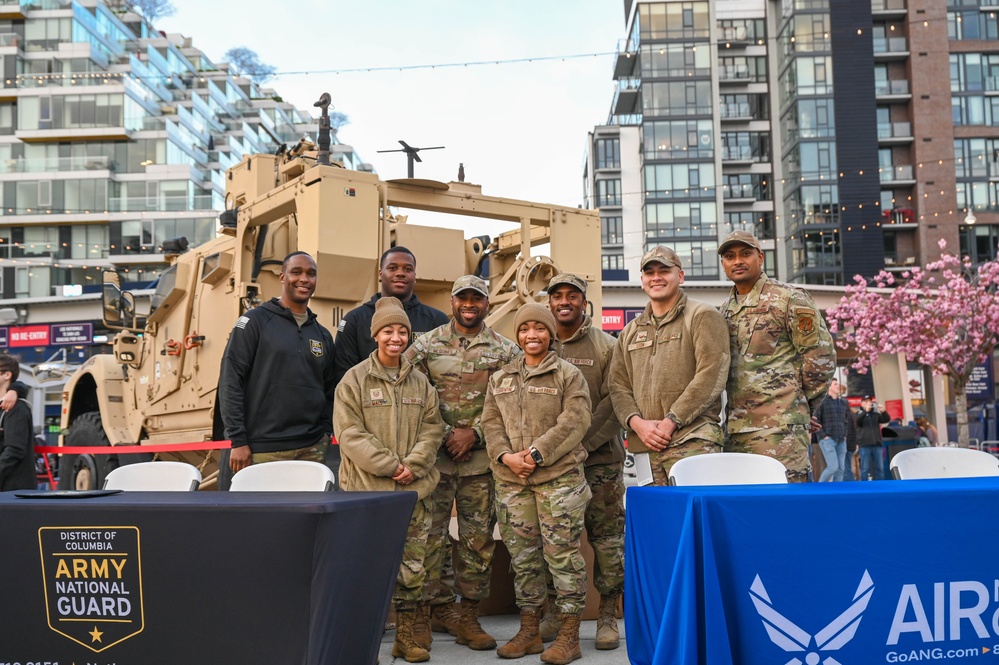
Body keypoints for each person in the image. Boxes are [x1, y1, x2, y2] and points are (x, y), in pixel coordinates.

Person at [403, 275, 520, 651]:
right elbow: (406, 392)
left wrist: (476, 435)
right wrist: (443, 435)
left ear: (486, 304)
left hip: (480, 465)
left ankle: (468, 616)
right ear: (452, 302)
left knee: (477, 542)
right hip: (434, 463)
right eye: (463, 298)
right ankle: (425, 615)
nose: (469, 304)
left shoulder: (505, 351)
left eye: (477, 298)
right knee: (428, 541)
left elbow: (515, 407)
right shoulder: (426, 344)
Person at [334, 297, 443, 663]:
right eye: (387, 331)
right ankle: (365, 640)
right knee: (368, 568)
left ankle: (406, 637)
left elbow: (433, 428)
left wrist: (413, 465)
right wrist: (390, 466)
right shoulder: (354, 381)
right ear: (375, 335)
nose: (395, 338)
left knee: (413, 568)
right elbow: (349, 433)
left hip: (413, 492)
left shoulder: (420, 383)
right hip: (368, 494)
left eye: (401, 331)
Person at [481, 303, 592, 665]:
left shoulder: (568, 374)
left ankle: (568, 635)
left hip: (558, 482)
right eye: (525, 328)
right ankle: (529, 630)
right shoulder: (501, 378)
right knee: (524, 560)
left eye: (540, 328)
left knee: (563, 559)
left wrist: (537, 453)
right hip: (513, 483)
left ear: (550, 333)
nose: (533, 335)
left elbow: (575, 420)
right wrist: (505, 457)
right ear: (517, 334)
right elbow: (491, 423)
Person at [545, 273, 624, 650]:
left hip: (600, 460)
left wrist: (582, 444)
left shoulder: (607, 346)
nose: (565, 301)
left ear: (583, 301)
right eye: (557, 295)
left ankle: (608, 615)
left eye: (572, 296)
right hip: (550, 466)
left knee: (607, 539)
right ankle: (555, 614)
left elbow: (615, 402)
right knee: (555, 539)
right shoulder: (535, 342)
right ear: (549, 303)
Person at [718, 231, 836, 482]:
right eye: (730, 256)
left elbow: (821, 358)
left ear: (760, 257)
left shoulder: (788, 298)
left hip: (781, 432)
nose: (737, 261)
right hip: (736, 432)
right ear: (723, 264)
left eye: (745, 254)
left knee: (786, 509)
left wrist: (800, 406)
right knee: (743, 512)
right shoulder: (725, 311)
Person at [609, 246, 731, 486]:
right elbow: (617, 385)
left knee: (695, 515)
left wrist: (672, 420)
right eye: (649, 272)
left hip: (692, 440)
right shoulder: (630, 332)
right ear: (642, 280)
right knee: (658, 518)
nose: (656, 277)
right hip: (645, 445)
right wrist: (637, 423)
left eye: (664, 270)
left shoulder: (702, 316)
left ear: (680, 276)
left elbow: (712, 374)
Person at [331, 247, 449, 482]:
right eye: (393, 268)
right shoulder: (355, 320)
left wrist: (414, 463)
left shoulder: (437, 321)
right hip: (367, 471)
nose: (400, 273)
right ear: (380, 272)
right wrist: (386, 463)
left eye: (408, 269)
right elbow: (344, 391)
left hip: (419, 451)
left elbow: (433, 417)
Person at [219, 251, 335, 477]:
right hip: (262, 450)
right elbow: (231, 382)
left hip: (312, 449)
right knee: (263, 513)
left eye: (311, 274)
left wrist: (325, 433)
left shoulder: (322, 334)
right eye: (296, 272)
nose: (304, 279)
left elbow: (330, 390)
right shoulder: (254, 322)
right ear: (282, 277)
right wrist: (238, 440)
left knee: (306, 513)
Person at [0, 354, 34, 491]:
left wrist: (16, 390)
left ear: (6, 375)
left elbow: (15, 450)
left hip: (12, 491)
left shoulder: (16, 408)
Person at [812, 379, 851, 481]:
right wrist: (824, 436)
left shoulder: (843, 402)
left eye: (838, 384)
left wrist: (845, 435)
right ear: (829, 387)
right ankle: (820, 490)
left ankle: (838, 492)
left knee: (841, 469)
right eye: (835, 384)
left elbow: (846, 421)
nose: (838, 386)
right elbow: (816, 420)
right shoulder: (822, 402)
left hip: (841, 439)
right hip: (828, 440)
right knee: (833, 467)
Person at [856, 395, 890, 480]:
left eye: (870, 401)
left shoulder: (875, 414)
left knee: (880, 468)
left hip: (877, 444)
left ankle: (880, 486)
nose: (868, 403)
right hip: (864, 445)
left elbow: (886, 419)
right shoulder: (859, 414)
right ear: (862, 403)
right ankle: (864, 487)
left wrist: (883, 411)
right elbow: (856, 421)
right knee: (865, 468)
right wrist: (865, 411)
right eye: (866, 401)